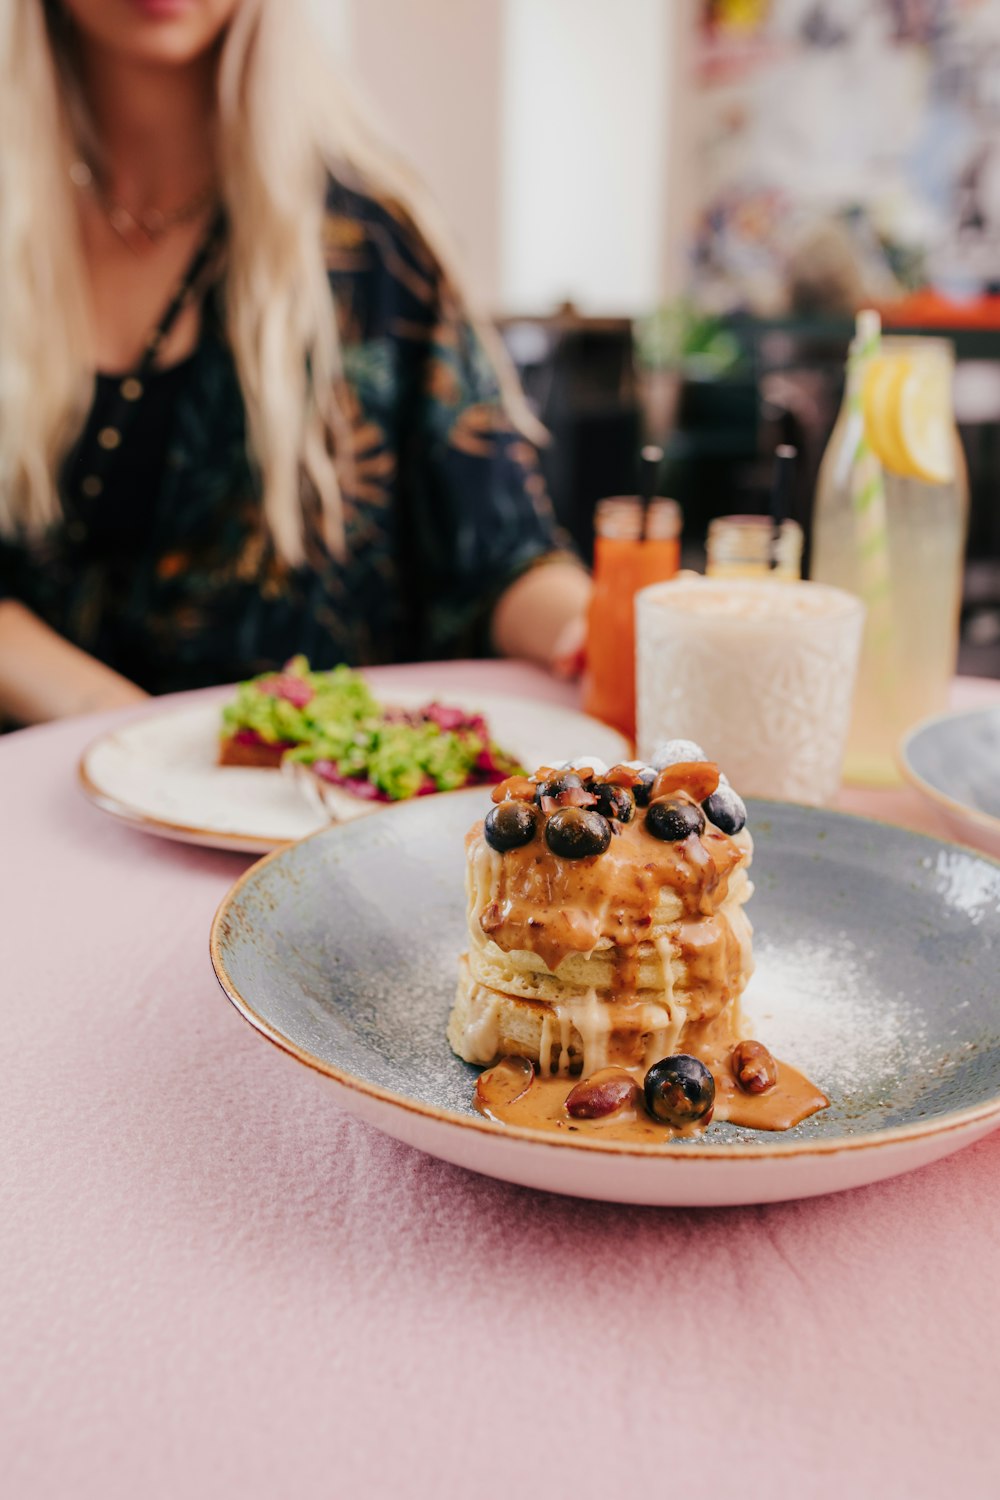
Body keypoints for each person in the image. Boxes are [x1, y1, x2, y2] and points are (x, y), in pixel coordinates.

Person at [0, 0, 590, 724]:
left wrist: (596, 629)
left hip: (311, 815)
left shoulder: (374, 244)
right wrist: (125, 730)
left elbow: (501, 557)